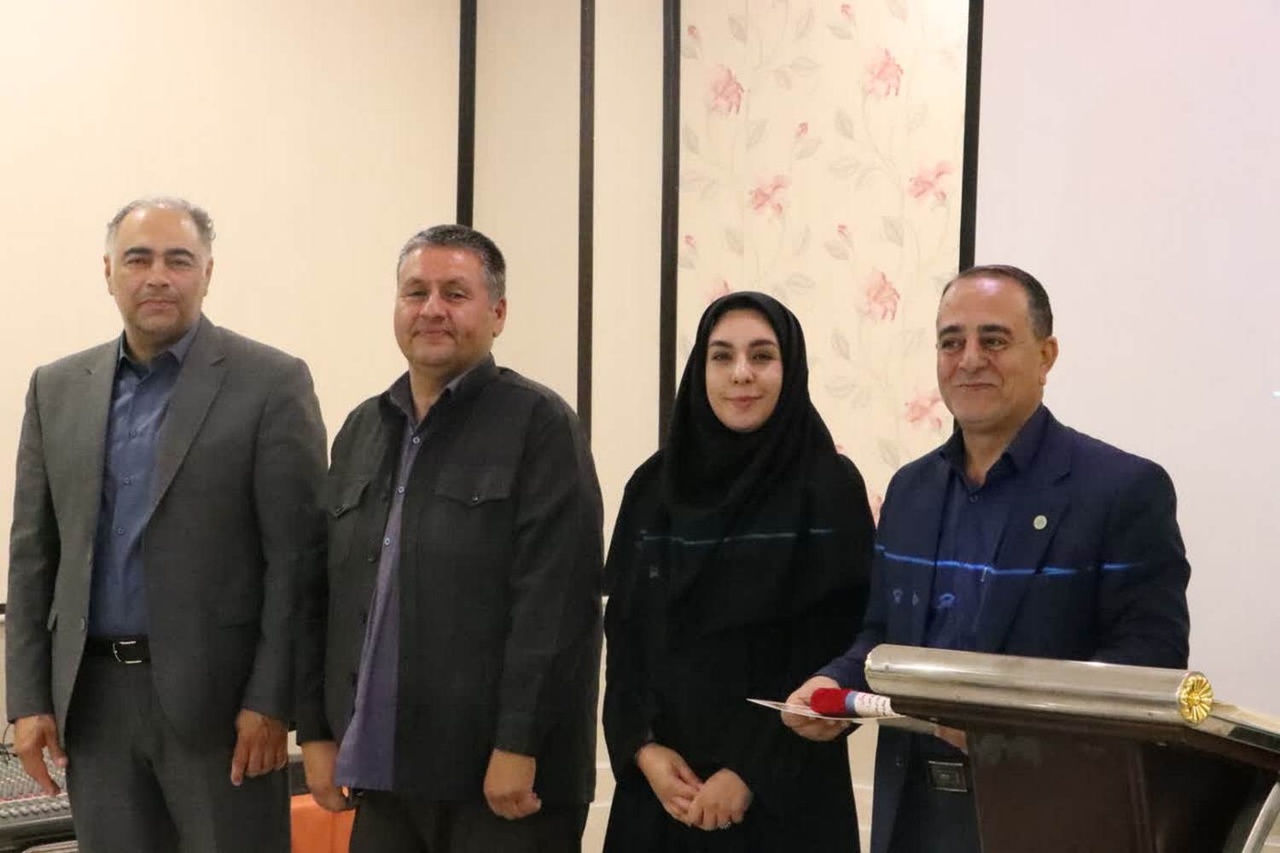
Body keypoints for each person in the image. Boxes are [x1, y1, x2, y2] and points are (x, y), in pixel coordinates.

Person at [785, 265, 1191, 853]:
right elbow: (882, 636)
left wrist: (1013, 728)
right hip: (914, 814)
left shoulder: (1123, 490)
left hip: (1053, 815)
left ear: (1047, 355)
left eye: (994, 340)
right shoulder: (910, 490)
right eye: (951, 342)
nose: (969, 359)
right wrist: (834, 684)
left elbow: (1150, 661)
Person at [5, 197, 327, 852]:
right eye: (138, 259)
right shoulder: (56, 387)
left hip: (223, 710)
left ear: (207, 273)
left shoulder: (270, 382)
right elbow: (34, 553)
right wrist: (28, 699)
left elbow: (297, 560)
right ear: (108, 272)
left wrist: (272, 700)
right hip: (94, 706)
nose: (158, 277)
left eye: (178, 260)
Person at [295, 224, 603, 853]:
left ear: (498, 313)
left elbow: (557, 604)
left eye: (455, 293)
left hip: (499, 779)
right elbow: (320, 592)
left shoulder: (540, 425)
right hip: (384, 772)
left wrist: (518, 743)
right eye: (416, 292)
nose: (431, 309)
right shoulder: (362, 429)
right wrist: (317, 731)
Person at [602, 291, 875, 852]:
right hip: (664, 793)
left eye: (762, 356)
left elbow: (839, 644)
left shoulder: (828, 489)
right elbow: (625, 635)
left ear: (790, 369)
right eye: (721, 356)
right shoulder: (653, 488)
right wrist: (643, 749)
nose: (741, 374)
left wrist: (750, 771)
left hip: (787, 794)